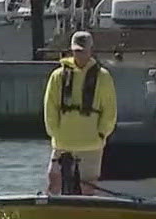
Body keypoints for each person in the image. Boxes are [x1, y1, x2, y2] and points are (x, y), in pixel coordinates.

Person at [42, 30, 117, 194]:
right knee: (53, 181)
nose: (80, 55)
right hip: (63, 140)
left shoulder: (103, 77)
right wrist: (55, 132)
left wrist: (101, 133)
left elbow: (109, 111)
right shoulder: (58, 76)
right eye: (77, 51)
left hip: (92, 142)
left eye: (83, 51)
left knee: (88, 186)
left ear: (91, 50)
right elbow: (50, 107)